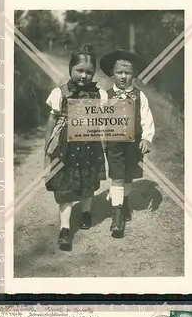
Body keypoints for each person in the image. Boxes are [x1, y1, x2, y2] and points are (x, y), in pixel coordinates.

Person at [44, 44, 106, 250]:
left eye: (89, 72)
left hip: (90, 144)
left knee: (88, 178)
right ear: (70, 69)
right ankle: (64, 228)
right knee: (65, 184)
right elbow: (52, 121)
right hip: (65, 146)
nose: (84, 75)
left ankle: (86, 212)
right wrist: (47, 145)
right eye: (79, 70)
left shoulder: (100, 95)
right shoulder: (59, 93)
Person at [99, 49, 155, 238]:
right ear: (112, 73)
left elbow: (146, 118)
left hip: (134, 143)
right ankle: (117, 215)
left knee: (128, 175)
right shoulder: (105, 96)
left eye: (128, 73)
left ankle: (124, 203)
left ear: (134, 74)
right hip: (114, 143)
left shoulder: (140, 96)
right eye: (119, 72)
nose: (123, 76)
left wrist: (147, 137)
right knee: (117, 175)